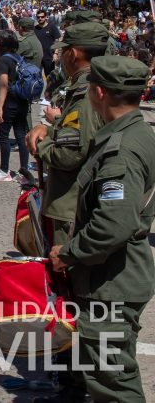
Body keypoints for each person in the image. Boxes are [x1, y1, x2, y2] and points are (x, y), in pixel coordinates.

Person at [48, 56, 155, 403]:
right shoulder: (138, 133)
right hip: (114, 275)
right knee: (97, 366)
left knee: (113, 381)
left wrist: (68, 253)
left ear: (98, 92)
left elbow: (114, 223)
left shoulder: (120, 151)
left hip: (111, 281)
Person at [27, 22, 107, 247]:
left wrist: (40, 143)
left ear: (73, 53)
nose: (60, 56)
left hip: (72, 203)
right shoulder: (97, 84)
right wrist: (51, 129)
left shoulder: (86, 93)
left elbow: (68, 154)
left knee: (66, 273)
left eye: (63, 51)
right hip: (79, 200)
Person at [0, 30, 30, 182]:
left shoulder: (3, 60)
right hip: (22, 101)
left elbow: (4, 85)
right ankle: (23, 172)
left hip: (9, 102)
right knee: (20, 135)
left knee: (3, 136)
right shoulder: (18, 58)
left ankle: (4, 170)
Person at [33, 9, 61, 76]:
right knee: (37, 77)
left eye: (42, 17)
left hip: (49, 56)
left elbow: (57, 40)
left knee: (49, 77)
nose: (40, 18)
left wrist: (56, 53)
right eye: (38, 17)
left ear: (45, 17)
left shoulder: (52, 27)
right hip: (38, 57)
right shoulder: (34, 28)